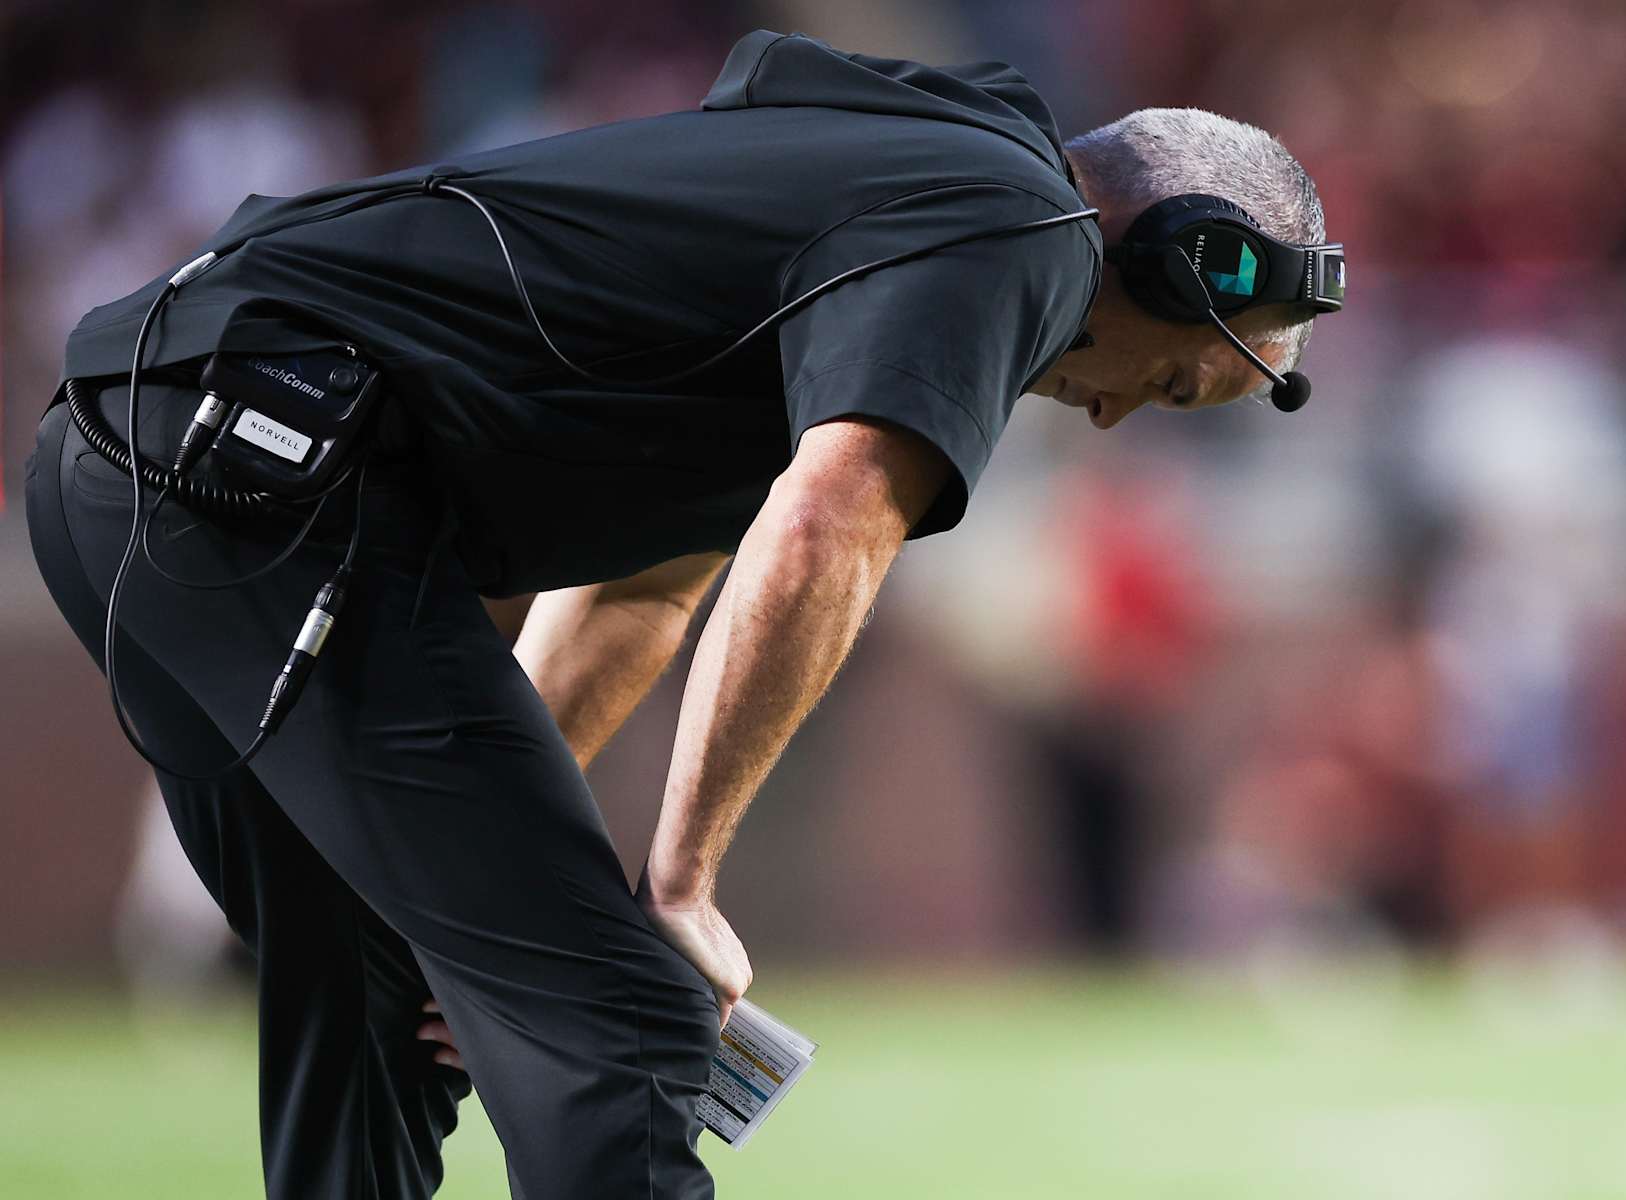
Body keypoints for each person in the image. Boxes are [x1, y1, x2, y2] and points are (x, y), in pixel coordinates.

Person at [26, 30, 1330, 1200]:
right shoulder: (1023, 228)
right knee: (627, 1027)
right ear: (1176, 256)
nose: (1115, 412)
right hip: (259, 457)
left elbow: (643, 587)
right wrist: (680, 883)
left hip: (155, 453)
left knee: (380, 994)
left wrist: (497, 881)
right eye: (1169, 379)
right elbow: (829, 525)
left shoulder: (896, 191)